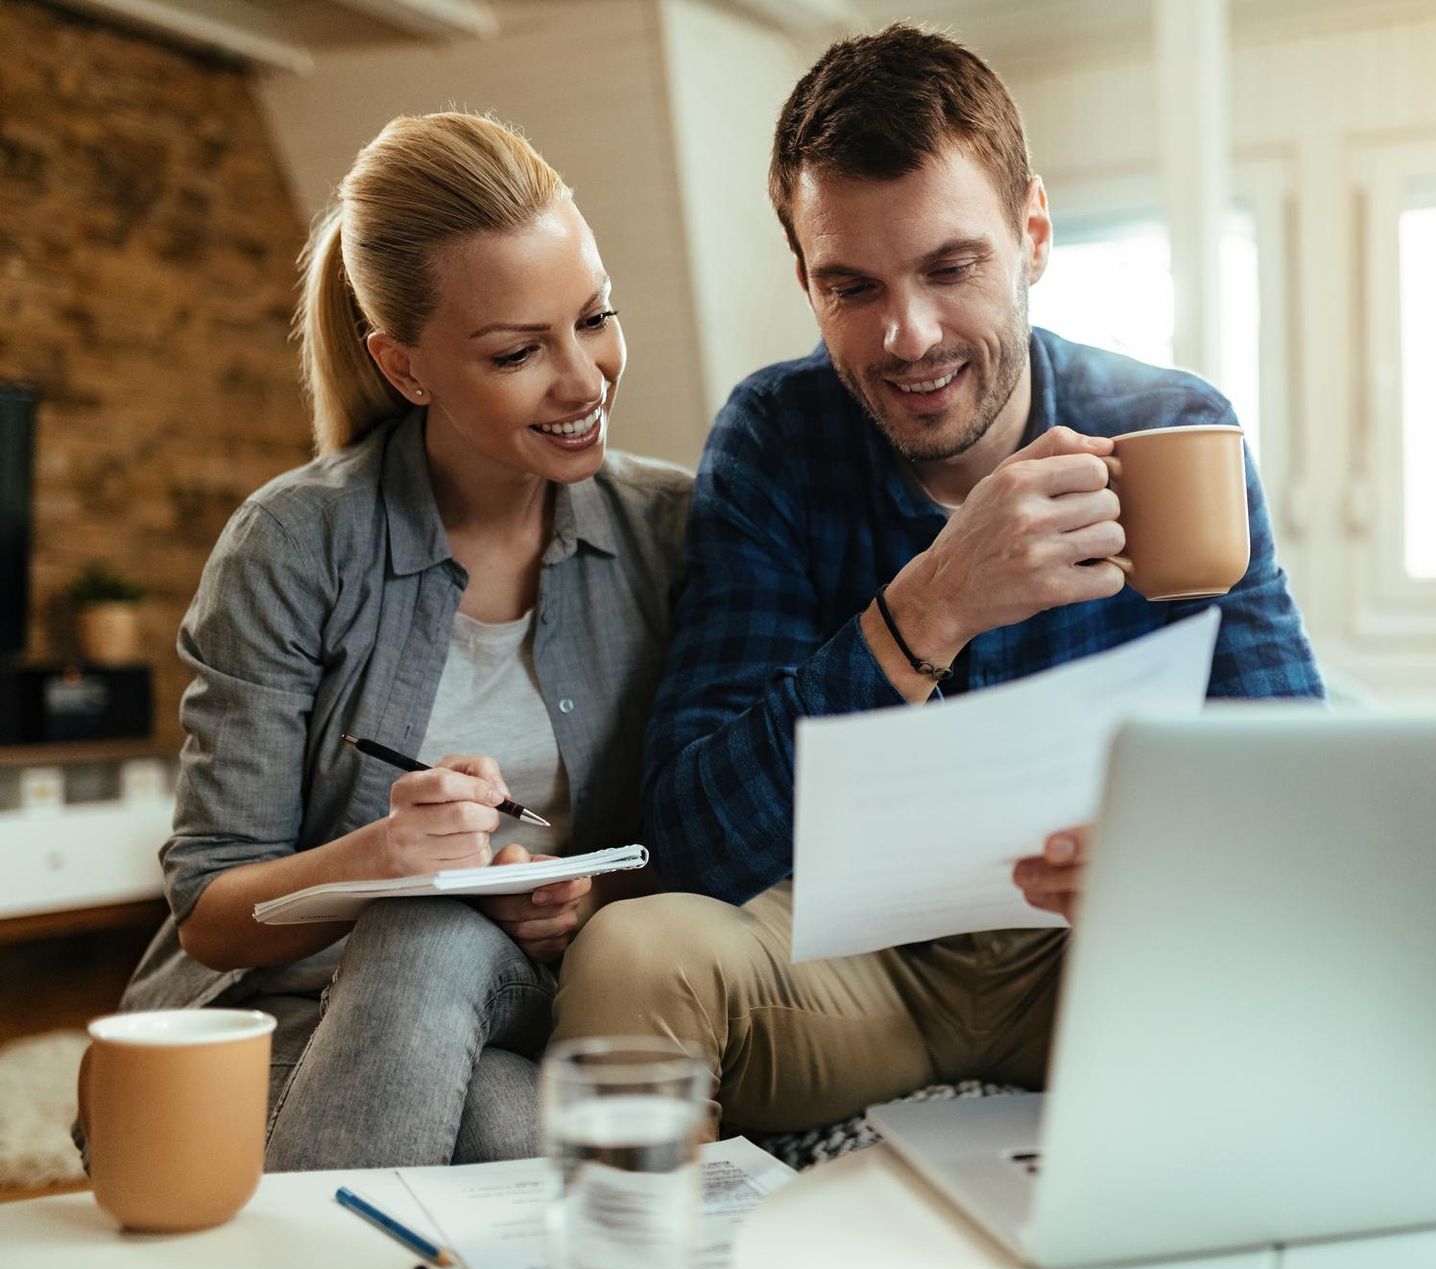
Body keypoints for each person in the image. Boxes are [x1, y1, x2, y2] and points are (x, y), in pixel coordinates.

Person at [552, 25, 1321, 1136]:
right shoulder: (776, 435)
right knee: (633, 952)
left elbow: (1301, 781)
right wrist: (931, 605)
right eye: (851, 286)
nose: (906, 335)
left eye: (951, 267)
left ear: (1033, 234)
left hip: (1102, 961)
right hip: (852, 965)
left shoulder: (1169, 430)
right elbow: (695, 838)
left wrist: (1175, 863)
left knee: (1327, 966)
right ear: (806, 280)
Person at [107, 112, 690, 1170]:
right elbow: (211, 913)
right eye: (518, 350)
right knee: (508, 1122)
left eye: (595, 318)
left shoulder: (674, 531)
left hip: (531, 1000)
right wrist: (378, 861)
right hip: (280, 1021)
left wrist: (590, 894)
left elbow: (730, 822)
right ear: (405, 366)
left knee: (445, 944)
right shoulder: (293, 544)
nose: (584, 378)